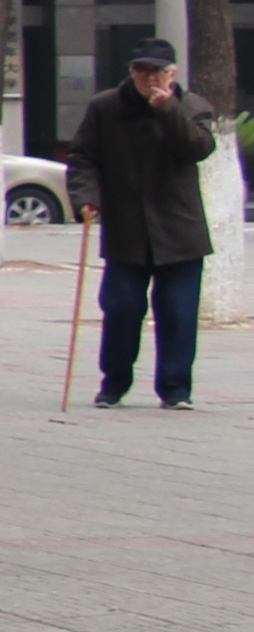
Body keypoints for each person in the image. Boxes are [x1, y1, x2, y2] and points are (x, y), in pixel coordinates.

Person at [70, 37, 221, 411]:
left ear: (172, 74)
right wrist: (86, 196)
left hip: (180, 231)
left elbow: (198, 149)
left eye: (156, 71)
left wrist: (167, 109)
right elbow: (83, 156)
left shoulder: (192, 107)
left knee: (178, 312)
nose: (148, 78)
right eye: (141, 70)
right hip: (127, 229)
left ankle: (175, 389)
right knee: (121, 307)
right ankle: (114, 383)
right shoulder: (105, 108)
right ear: (130, 72)